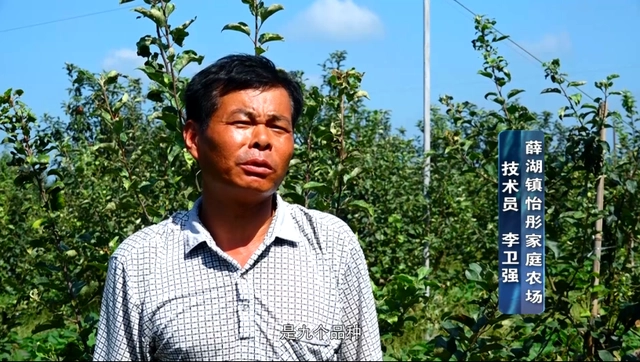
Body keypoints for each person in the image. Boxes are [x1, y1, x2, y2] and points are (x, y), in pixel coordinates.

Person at [92, 54, 382, 361]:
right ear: (193, 138)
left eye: (278, 127)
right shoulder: (140, 261)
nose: (262, 140)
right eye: (243, 122)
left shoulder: (332, 245)